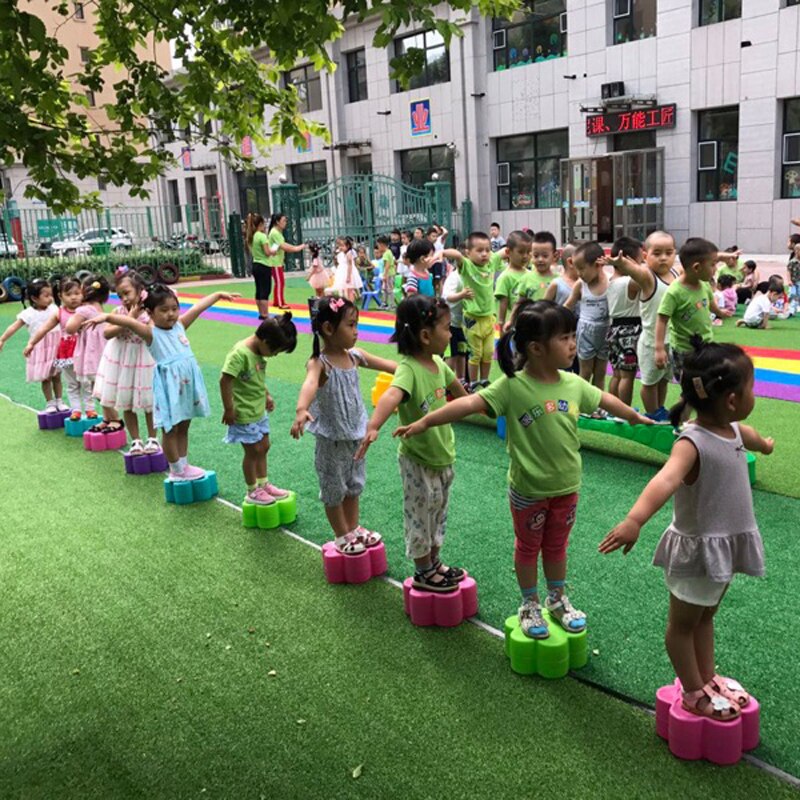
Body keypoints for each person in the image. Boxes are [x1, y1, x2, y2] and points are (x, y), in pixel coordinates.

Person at [397, 300, 650, 637]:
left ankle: (557, 598)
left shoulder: (572, 383)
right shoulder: (512, 386)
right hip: (528, 491)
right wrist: (425, 421)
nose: (573, 344)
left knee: (557, 547)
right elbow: (467, 405)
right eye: (565, 337)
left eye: (573, 335)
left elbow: (604, 400)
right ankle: (530, 603)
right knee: (529, 548)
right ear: (536, 348)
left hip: (567, 488)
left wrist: (634, 416)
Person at [600, 339, 772, 722]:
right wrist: (634, 520)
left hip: (723, 548)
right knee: (682, 626)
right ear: (730, 399)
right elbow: (666, 480)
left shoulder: (734, 430)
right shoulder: (692, 442)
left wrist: (767, 445)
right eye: (751, 388)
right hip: (697, 552)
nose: (753, 395)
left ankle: (707, 677)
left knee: (705, 617)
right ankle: (694, 691)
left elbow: (755, 438)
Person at [355, 295, 469, 592]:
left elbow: (461, 393)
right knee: (420, 515)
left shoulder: (438, 364)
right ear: (425, 335)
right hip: (418, 460)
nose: (451, 332)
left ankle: (434, 562)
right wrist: (374, 425)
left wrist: (485, 404)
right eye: (447, 328)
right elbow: (392, 395)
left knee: (438, 512)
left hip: (443, 454)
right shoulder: (408, 368)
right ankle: (422, 571)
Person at [83, 285, 241, 481]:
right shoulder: (151, 333)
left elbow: (197, 309)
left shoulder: (180, 325)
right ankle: (176, 470)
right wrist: (106, 317)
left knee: (184, 426)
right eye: (164, 310)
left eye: (174, 308)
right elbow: (129, 323)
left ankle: (184, 465)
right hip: (170, 388)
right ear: (150, 313)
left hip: (187, 386)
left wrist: (217, 294)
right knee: (170, 428)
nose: (171, 314)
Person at [291, 297, 397, 553]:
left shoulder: (355, 356)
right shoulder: (320, 363)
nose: (356, 331)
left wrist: (413, 371)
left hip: (356, 437)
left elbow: (391, 366)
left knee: (353, 486)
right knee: (333, 488)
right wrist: (301, 409)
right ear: (329, 329)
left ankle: (353, 527)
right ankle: (341, 535)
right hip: (331, 440)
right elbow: (310, 383)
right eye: (351, 325)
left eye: (356, 324)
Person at [221, 314, 298, 505]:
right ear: (265, 341)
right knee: (253, 451)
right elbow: (225, 380)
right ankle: (252, 490)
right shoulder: (240, 354)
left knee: (264, 447)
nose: (274, 355)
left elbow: (256, 378)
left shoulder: (258, 351)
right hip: (243, 412)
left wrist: (267, 395)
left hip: (258, 410)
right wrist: (228, 409)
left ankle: (263, 484)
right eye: (275, 351)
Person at [605, 231, 680, 419]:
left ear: (675, 253)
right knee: (649, 382)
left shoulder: (674, 273)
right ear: (645, 256)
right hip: (651, 342)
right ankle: (652, 412)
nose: (663, 258)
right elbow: (635, 272)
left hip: (672, 338)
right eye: (657, 253)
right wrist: (622, 263)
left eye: (668, 252)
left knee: (663, 380)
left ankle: (659, 409)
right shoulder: (647, 277)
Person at [92, 268, 159, 452]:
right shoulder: (119, 311)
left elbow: (151, 333)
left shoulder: (150, 311)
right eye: (121, 295)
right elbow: (107, 332)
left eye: (127, 293)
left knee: (149, 402)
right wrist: (129, 318)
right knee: (126, 402)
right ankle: (136, 440)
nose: (125, 298)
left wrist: (134, 320)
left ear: (140, 290)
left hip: (145, 360)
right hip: (123, 362)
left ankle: (153, 438)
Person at [656, 238, 732, 384]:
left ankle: (701, 404)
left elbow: (710, 303)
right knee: (689, 386)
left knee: (707, 382)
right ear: (696, 268)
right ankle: (686, 404)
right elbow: (662, 320)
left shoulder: (704, 285)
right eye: (713, 265)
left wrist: (720, 312)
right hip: (684, 351)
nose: (715, 269)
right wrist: (659, 349)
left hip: (706, 344)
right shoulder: (674, 292)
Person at [24, 276, 94, 419]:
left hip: (85, 352)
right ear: (60, 296)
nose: (73, 298)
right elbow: (44, 329)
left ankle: (90, 409)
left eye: (77, 293)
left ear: (82, 293)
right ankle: (76, 410)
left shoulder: (87, 309)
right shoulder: (59, 312)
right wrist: (31, 343)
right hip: (67, 353)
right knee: (72, 383)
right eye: (68, 294)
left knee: (87, 382)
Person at [442, 231, 500, 390]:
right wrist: (441, 252)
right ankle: (463, 381)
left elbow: (501, 253)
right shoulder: (463, 270)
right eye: (479, 250)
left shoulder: (489, 265)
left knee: (482, 353)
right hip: (464, 320)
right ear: (468, 253)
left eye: (487, 250)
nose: (484, 254)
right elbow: (446, 296)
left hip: (484, 319)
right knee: (465, 354)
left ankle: (477, 379)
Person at [0, 278, 65, 411]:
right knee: (45, 377)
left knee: (57, 376)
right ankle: (50, 403)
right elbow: (14, 327)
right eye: (46, 296)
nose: (50, 298)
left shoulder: (54, 309)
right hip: (40, 348)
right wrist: (2, 339)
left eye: (51, 295)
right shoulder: (28, 314)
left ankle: (59, 400)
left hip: (56, 346)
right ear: (34, 298)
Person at [66, 275, 113, 428]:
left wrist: (77, 325)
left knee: (97, 389)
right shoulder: (100, 309)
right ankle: (107, 419)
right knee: (101, 388)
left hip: (94, 354)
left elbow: (69, 328)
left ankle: (114, 419)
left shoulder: (84, 310)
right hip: (105, 351)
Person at [565, 242, 609, 393]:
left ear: (598, 264)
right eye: (576, 268)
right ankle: (581, 402)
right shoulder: (580, 285)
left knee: (600, 373)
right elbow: (568, 305)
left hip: (605, 333)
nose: (578, 273)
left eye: (582, 268)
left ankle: (598, 405)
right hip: (586, 332)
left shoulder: (611, 283)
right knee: (585, 372)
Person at [605, 236, 643, 406]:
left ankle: (613, 408)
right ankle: (625, 410)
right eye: (640, 261)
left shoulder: (610, 281)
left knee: (617, 374)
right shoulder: (630, 282)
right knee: (628, 376)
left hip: (614, 330)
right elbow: (646, 278)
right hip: (630, 332)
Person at [544, 244, 579, 373]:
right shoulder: (557, 284)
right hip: (561, 332)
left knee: (580, 369)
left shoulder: (585, 283)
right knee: (563, 368)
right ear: (571, 262)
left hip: (581, 334)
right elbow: (544, 307)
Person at [266, 213, 306, 310]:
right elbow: (283, 246)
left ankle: (277, 301)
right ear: (277, 222)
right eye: (283, 221)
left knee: (279, 282)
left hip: (277, 261)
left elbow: (281, 245)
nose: (285, 223)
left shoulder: (276, 232)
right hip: (275, 262)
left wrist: (295, 247)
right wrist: (297, 248)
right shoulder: (275, 232)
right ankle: (280, 302)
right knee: (280, 282)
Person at [494, 230, 533, 328]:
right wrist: (501, 326)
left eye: (528, 252)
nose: (525, 256)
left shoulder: (531, 274)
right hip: (512, 327)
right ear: (508, 252)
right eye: (520, 252)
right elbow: (503, 305)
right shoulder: (505, 277)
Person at [513, 231, 559, 307]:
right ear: (531, 255)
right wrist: (512, 319)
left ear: (554, 256)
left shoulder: (559, 280)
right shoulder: (526, 279)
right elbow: (519, 304)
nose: (540, 259)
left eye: (545, 256)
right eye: (536, 256)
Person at [442, 263, 471, 382]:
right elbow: (446, 297)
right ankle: (447, 382)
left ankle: (462, 380)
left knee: (462, 351)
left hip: (462, 324)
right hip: (451, 322)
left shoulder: (470, 276)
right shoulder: (455, 277)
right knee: (452, 353)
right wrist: (462, 294)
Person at [245, 213, 277, 319]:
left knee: (258, 289)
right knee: (265, 290)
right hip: (264, 265)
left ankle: (260, 313)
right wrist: (273, 251)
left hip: (255, 264)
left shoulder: (251, 236)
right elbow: (267, 252)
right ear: (260, 224)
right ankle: (265, 314)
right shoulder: (262, 236)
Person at [333, 236, 362, 302]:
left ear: (348, 246)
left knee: (350, 290)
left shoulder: (349, 254)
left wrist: (348, 276)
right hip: (342, 272)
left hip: (348, 273)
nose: (341, 247)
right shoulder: (341, 253)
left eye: (343, 246)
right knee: (345, 289)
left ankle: (351, 303)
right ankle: (347, 303)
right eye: (340, 246)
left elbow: (350, 266)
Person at [376, 235, 396, 309]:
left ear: (382, 245)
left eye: (378, 245)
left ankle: (392, 305)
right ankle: (384, 303)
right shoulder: (388, 252)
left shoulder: (386, 254)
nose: (378, 247)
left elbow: (387, 265)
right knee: (385, 289)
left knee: (389, 289)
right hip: (389, 274)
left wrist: (385, 275)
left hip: (389, 274)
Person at [427, 224, 448, 297]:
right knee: (432, 281)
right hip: (431, 263)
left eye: (436, 229)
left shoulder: (440, 239)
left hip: (439, 262)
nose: (435, 237)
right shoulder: (427, 244)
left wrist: (441, 228)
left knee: (440, 280)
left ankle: (441, 297)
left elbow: (446, 233)